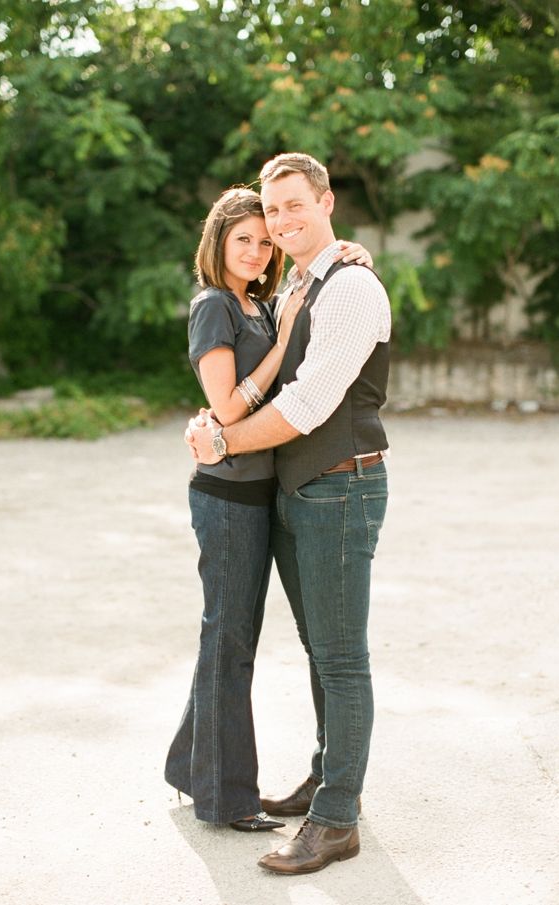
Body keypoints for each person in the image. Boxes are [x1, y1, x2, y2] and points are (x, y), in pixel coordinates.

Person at [188, 153, 391, 873]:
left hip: (342, 486)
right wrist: (218, 419)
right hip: (298, 490)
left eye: (293, 205)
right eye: (272, 210)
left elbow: (306, 403)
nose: (280, 222)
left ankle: (336, 820)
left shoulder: (351, 288)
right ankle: (327, 778)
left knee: (342, 658)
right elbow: (252, 378)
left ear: (326, 201)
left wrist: (222, 441)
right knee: (319, 649)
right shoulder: (298, 285)